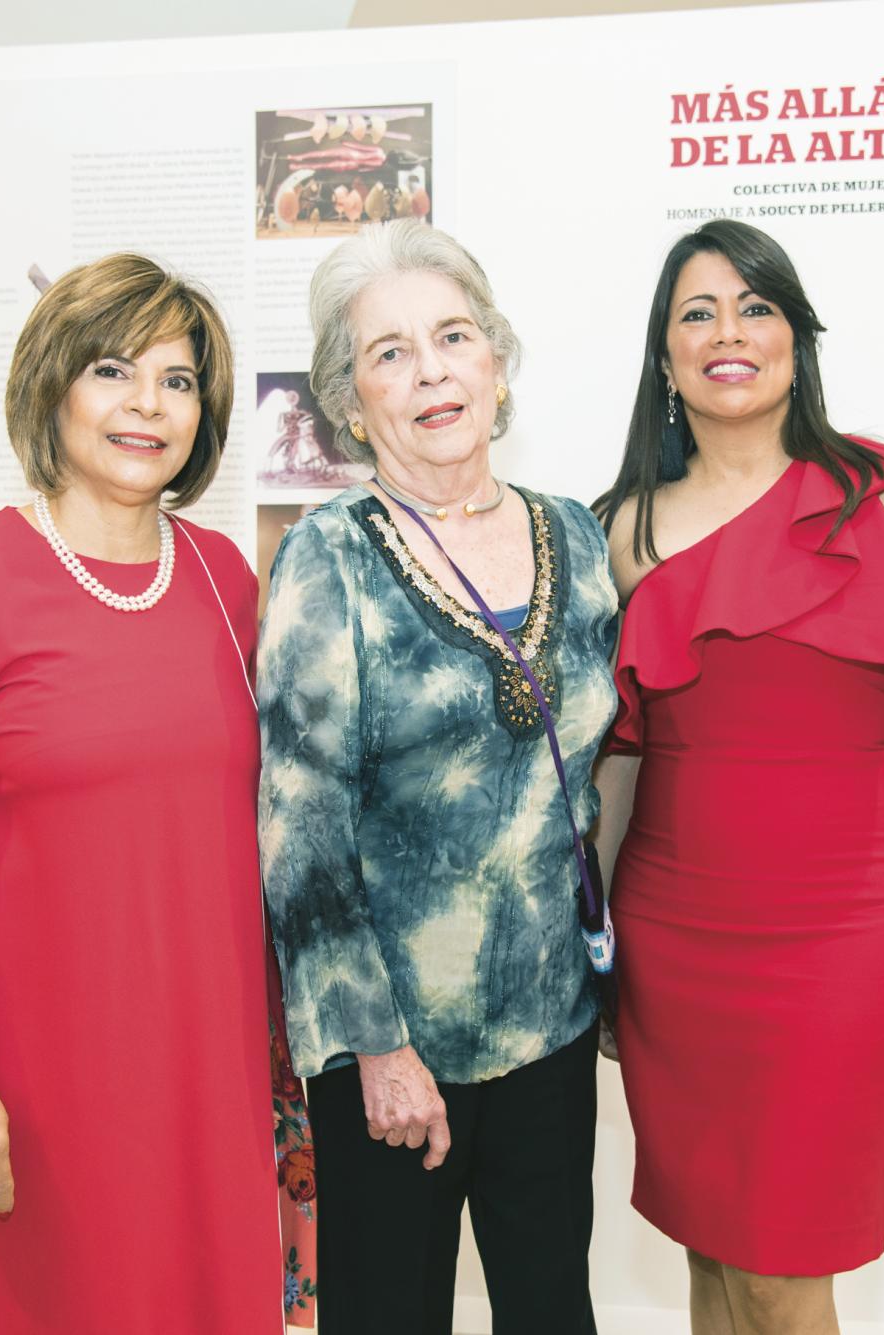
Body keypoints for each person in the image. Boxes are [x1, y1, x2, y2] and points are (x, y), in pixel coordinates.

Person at [0, 253, 294, 1333]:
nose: (148, 405)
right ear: (51, 384)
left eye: (179, 380)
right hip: (29, 1081)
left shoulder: (220, 578)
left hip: (202, 1065)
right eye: (113, 371)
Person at [593, 219, 884, 1335]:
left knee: (782, 1267)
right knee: (711, 1253)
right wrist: (601, 947)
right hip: (673, 928)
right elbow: (616, 757)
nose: (728, 333)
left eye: (755, 306)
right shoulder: (617, 532)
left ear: (794, 337)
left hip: (843, 926)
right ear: (663, 354)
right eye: (697, 312)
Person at [259, 218, 618, 1335]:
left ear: (495, 365)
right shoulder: (328, 556)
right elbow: (300, 831)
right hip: (394, 1056)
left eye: (452, 337)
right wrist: (376, 1047)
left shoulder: (576, 533)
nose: (429, 372)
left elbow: (593, 774)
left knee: (553, 1312)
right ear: (349, 403)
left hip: (550, 1031)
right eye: (388, 353)